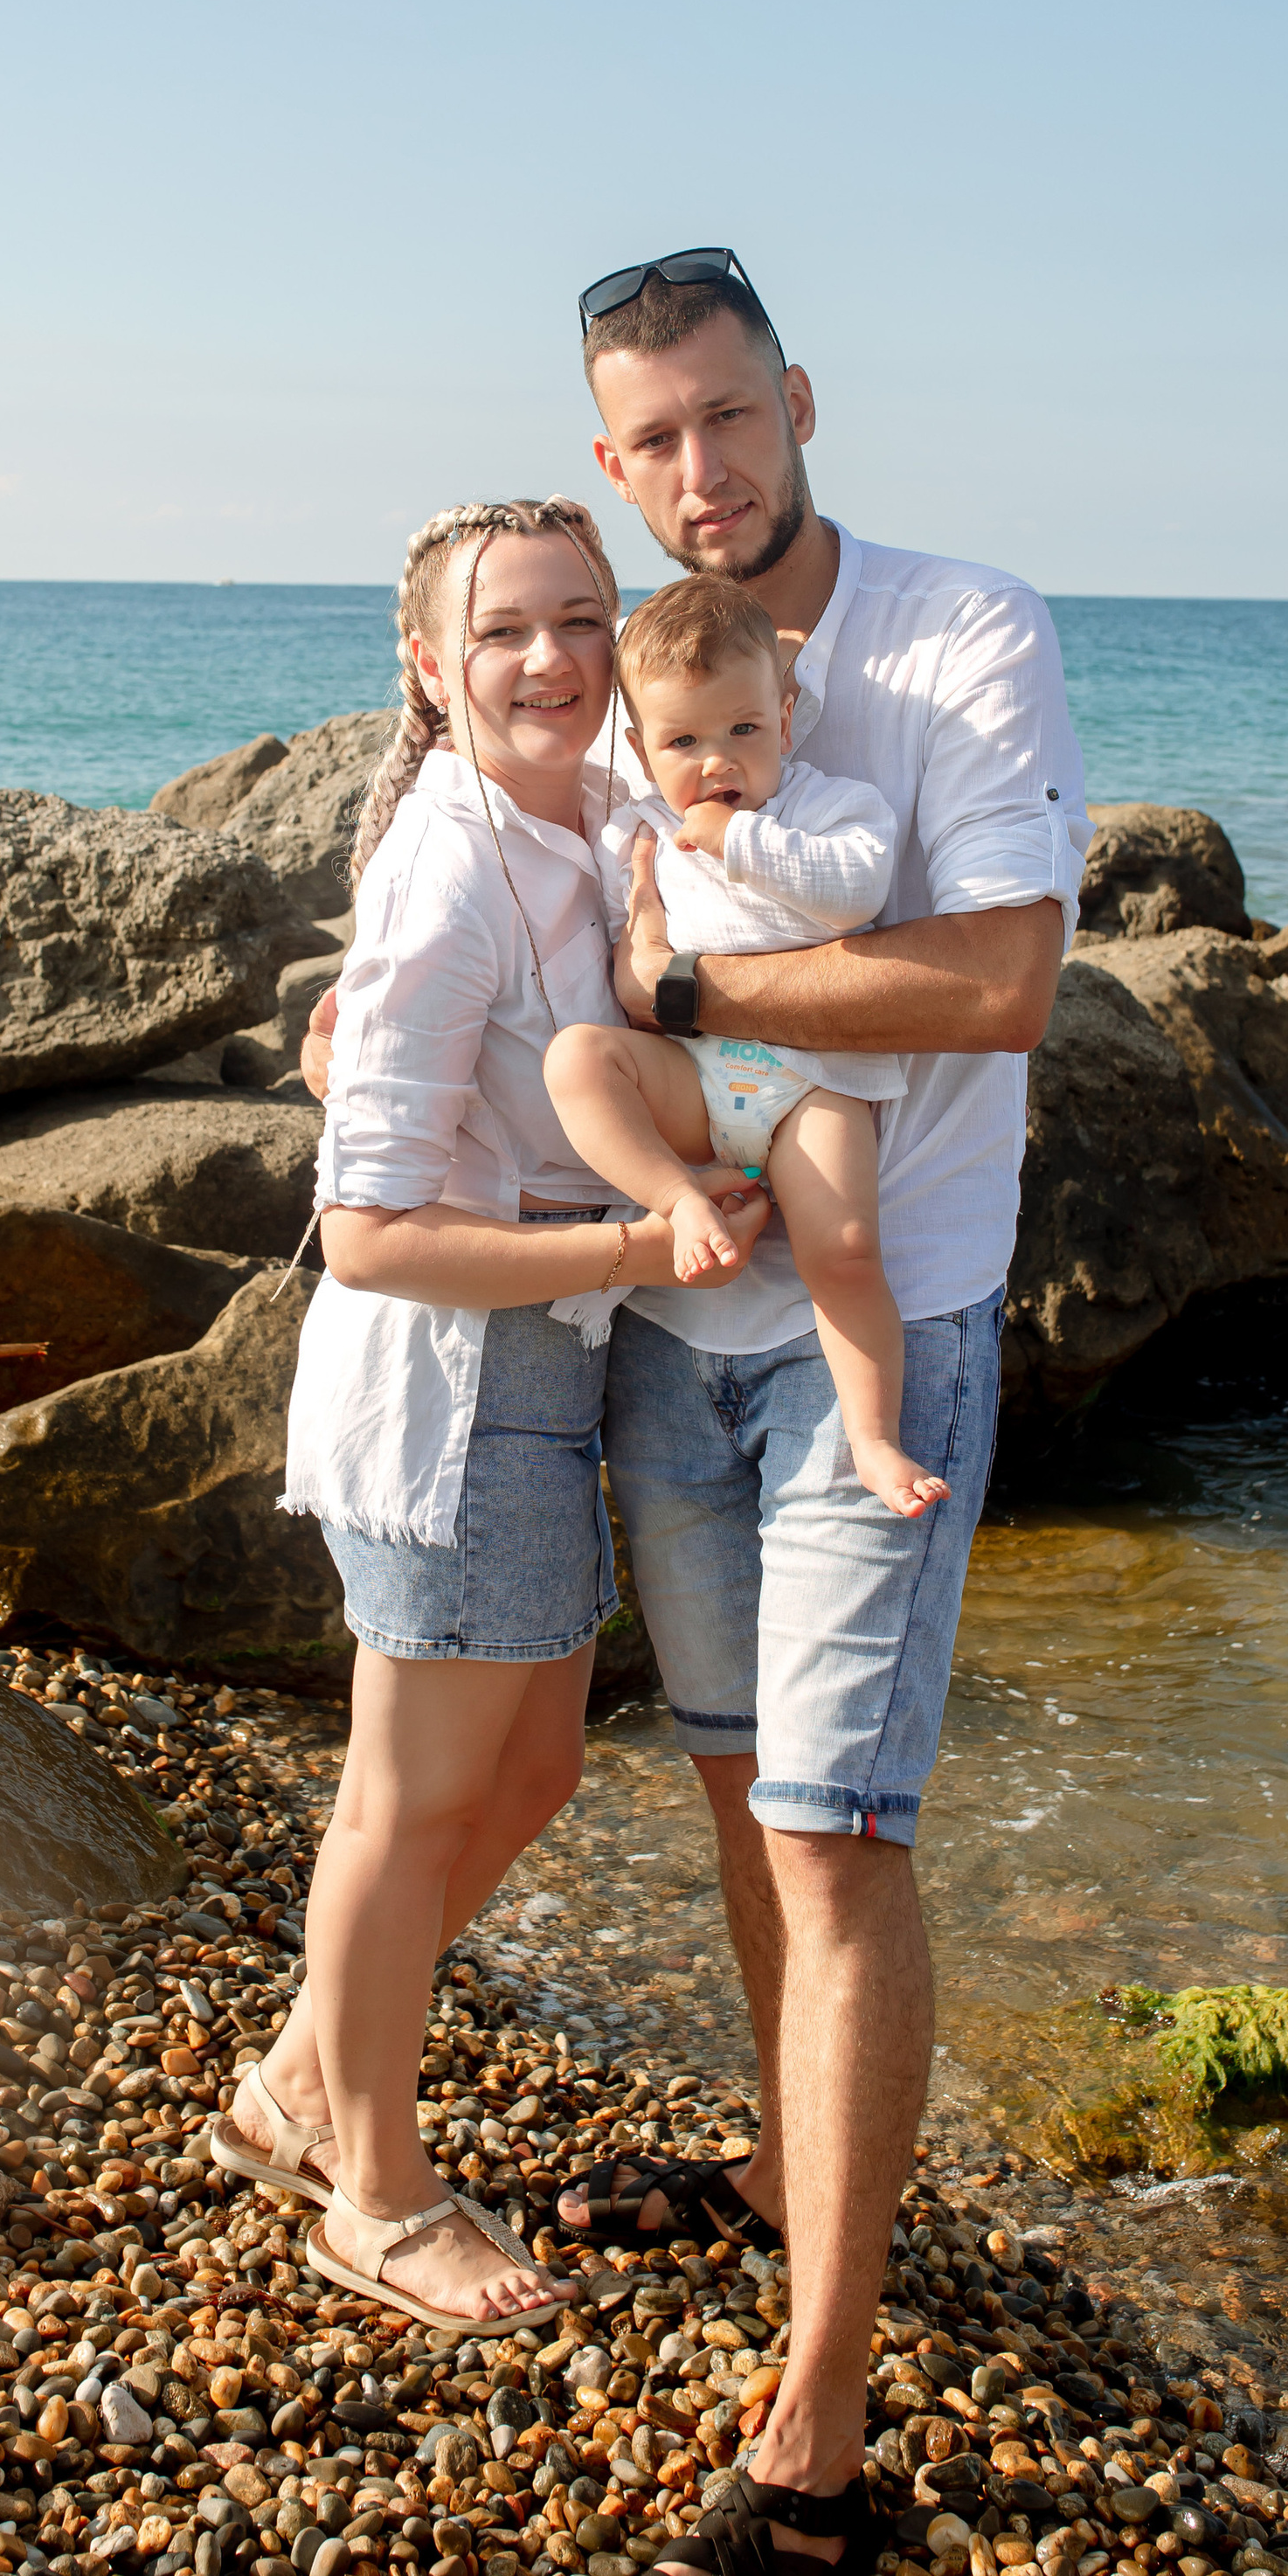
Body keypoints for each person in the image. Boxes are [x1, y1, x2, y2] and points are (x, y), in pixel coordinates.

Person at [557, 249, 1091, 2576]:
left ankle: (820, 2448)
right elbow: (525, 875)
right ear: (609, 461)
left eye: (729, 418)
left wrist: (687, 991)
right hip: (684, 1320)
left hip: (895, 1321)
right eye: (653, 439)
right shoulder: (624, 684)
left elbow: (995, 983)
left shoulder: (965, 635)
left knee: (841, 1834)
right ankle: (792, 2172)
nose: (702, 472)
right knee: (739, 1791)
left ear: (801, 400)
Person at [225, 492, 770, 2337]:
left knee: (530, 1771)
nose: (549, 658)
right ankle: (369, 2190)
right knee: (402, 1800)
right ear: (430, 667)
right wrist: (643, 1236)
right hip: (457, 1381)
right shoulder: (447, 866)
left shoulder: (600, 815)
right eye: (505, 630)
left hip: (552, 1365)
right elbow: (367, 1229)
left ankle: (306, 2077)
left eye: (579, 620)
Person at [544, 571, 947, 1520]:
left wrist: (735, 839)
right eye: (683, 742)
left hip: (811, 1085)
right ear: (640, 748)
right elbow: (628, 976)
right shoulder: (637, 832)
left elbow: (854, 893)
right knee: (576, 1061)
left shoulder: (831, 809)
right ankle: (678, 1202)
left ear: (786, 716)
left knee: (843, 1250)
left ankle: (875, 1438)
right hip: (694, 1078)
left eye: (742, 731)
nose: (715, 761)